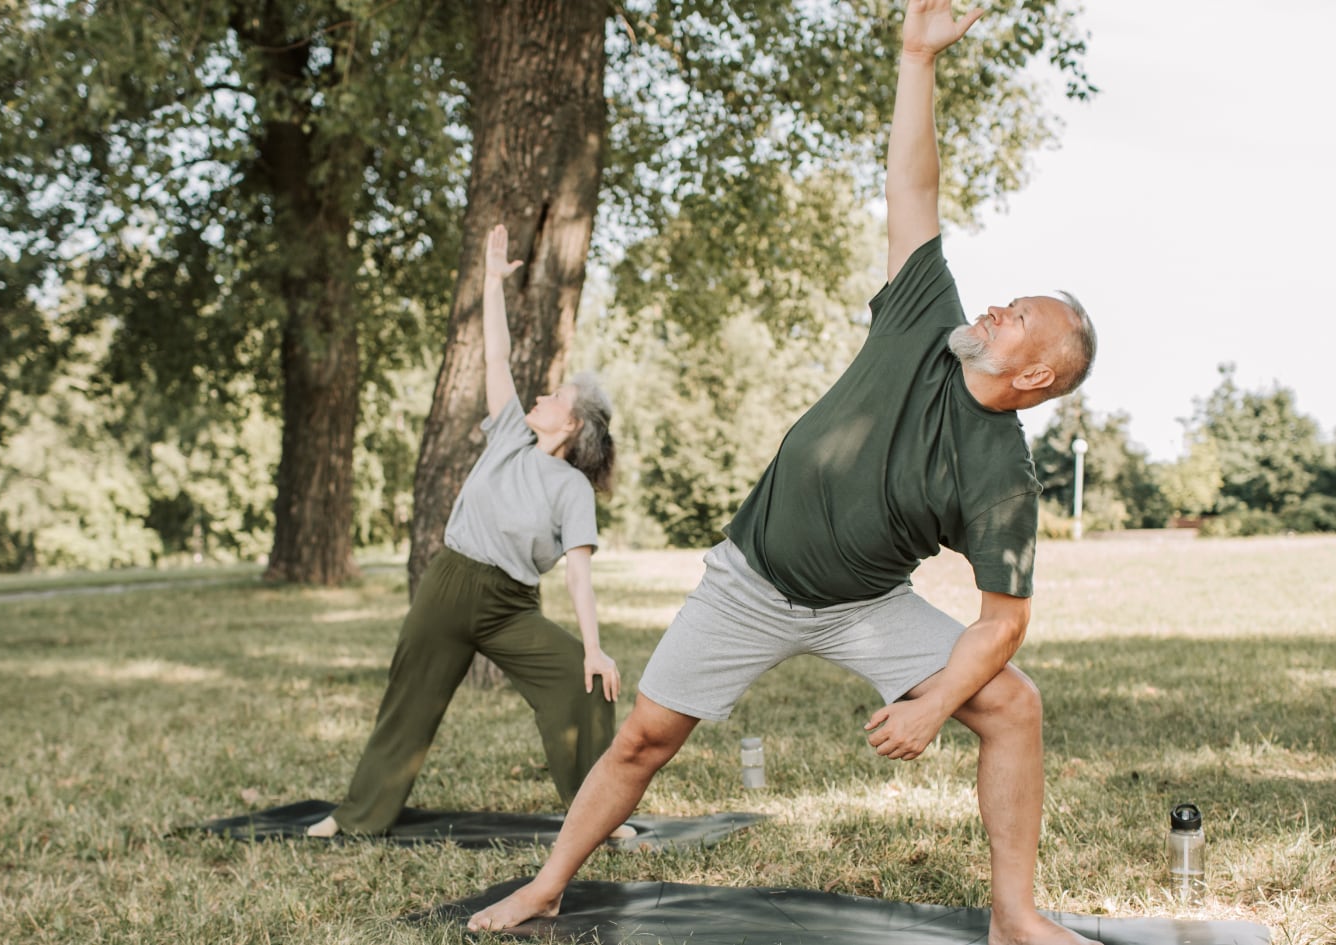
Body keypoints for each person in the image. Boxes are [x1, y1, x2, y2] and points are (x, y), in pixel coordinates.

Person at [470, 1, 1098, 942]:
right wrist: (916, 59)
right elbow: (913, 189)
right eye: (1006, 300)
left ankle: (1015, 917)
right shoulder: (925, 317)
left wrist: (933, 701)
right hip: (751, 578)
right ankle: (549, 882)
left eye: (1018, 317)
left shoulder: (1002, 472)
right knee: (644, 738)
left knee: (1012, 707)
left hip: (863, 603)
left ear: (1038, 374)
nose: (999, 307)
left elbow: (1002, 623)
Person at [307, 223, 622, 838]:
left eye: (554, 395)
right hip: (449, 587)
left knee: (583, 683)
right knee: (408, 701)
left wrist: (592, 647)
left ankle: (598, 820)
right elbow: (496, 354)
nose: (540, 393)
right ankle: (357, 818)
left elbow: (580, 576)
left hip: (510, 607)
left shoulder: (572, 489)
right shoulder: (509, 432)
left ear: (573, 425)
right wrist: (491, 282)